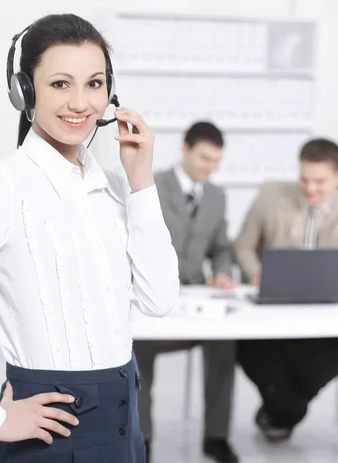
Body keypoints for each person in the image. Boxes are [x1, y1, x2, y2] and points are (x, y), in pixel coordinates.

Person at [0, 13, 179, 463]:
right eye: (61, 84)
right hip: (49, 441)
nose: (81, 102)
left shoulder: (111, 190)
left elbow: (159, 300)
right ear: (25, 91)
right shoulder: (5, 186)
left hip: (124, 431)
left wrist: (140, 181)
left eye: (95, 83)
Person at [234, 138, 338, 443]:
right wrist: (258, 274)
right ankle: (284, 413)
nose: (310, 188)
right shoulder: (271, 195)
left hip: (323, 316)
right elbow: (243, 247)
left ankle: (279, 412)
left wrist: (324, 281)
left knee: (330, 360)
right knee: (259, 359)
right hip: (270, 312)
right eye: (304, 179)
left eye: (320, 181)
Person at [134, 122, 239, 463]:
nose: (210, 167)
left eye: (216, 161)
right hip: (153, 298)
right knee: (139, 346)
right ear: (185, 149)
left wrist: (223, 272)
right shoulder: (151, 185)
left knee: (225, 342)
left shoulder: (217, 197)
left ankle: (216, 436)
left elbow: (222, 248)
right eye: (204, 158)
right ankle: (142, 439)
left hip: (195, 302)